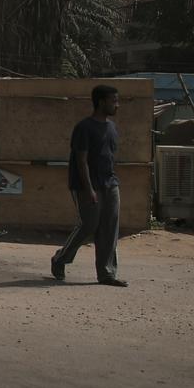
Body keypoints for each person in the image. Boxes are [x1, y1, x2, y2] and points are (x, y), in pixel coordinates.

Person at [52, 84, 126, 286]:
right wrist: (89, 189)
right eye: (113, 101)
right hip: (87, 186)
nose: (116, 105)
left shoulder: (111, 127)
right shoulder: (84, 128)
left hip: (110, 184)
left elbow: (109, 157)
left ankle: (106, 273)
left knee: (110, 228)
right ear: (101, 102)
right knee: (89, 225)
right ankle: (60, 258)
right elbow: (80, 161)